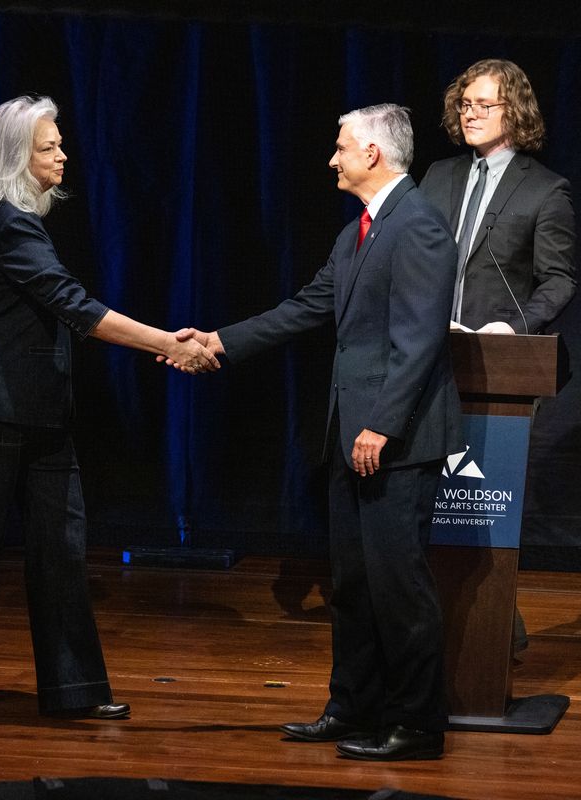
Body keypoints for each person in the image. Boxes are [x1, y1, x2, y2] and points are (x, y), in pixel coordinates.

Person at [0, 95, 218, 721]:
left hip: (39, 410)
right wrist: (167, 343)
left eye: (60, 143)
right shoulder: (11, 221)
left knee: (61, 546)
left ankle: (75, 691)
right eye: (48, 147)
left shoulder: (24, 221)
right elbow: (75, 305)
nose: (63, 154)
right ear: (17, 157)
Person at [176, 104, 462, 760]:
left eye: (340, 148)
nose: (331, 160)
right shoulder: (356, 232)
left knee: (398, 585)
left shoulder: (418, 227)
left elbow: (417, 342)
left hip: (395, 439)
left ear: (372, 154)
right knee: (354, 583)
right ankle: (353, 708)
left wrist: (381, 427)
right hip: (350, 434)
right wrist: (219, 342)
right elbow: (307, 307)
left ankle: (417, 724)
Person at [420, 59, 577, 653]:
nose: (470, 113)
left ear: (515, 111)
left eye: (485, 104)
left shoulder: (545, 189)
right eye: (464, 103)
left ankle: (489, 629)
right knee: (427, 502)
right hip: (427, 356)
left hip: (497, 365)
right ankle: (437, 625)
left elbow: (558, 281)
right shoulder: (436, 176)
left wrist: (513, 327)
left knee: (479, 503)